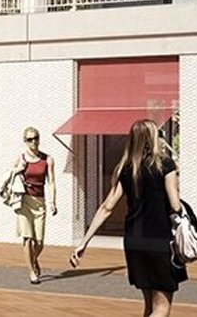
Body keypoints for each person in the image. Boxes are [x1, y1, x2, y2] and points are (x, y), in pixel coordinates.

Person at [70, 119, 185, 317]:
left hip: (134, 241)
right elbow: (175, 205)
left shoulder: (125, 169)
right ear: (153, 138)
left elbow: (106, 207)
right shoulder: (165, 164)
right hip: (158, 240)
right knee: (162, 307)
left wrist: (83, 242)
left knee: (149, 306)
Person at [4, 127, 57, 287]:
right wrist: (17, 169)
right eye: (30, 139)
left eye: (36, 138)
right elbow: (8, 176)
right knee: (27, 237)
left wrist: (53, 202)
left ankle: (33, 259)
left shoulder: (47, 159)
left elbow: (51, 182)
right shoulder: (20, 158)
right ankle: (31, 272)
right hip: (24, 200)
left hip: (40, 202)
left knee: (39, 241)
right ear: (25, 141)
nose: (33, 142)